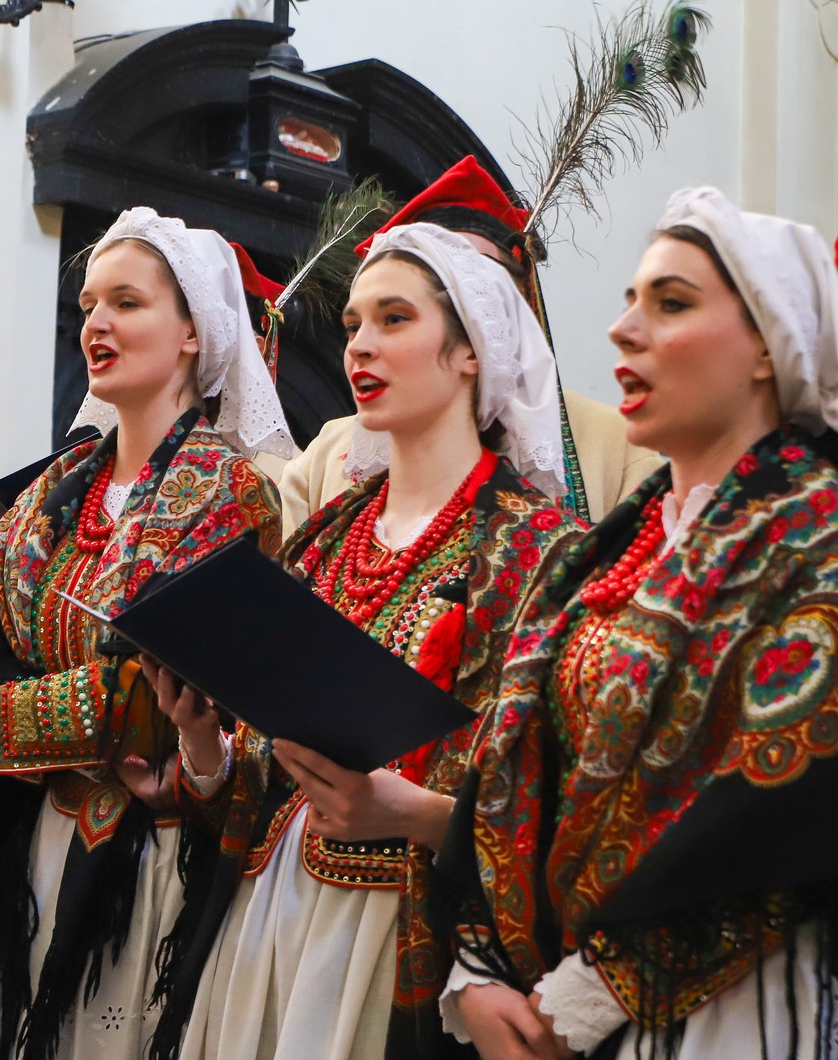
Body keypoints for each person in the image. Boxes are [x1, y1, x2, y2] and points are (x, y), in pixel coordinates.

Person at [435, 188, 838, 1059]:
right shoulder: (610, 549)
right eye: (629, 302)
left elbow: (787, 815)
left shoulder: (831, 547)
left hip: (744, 1010)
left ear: (766, 344)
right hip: (561, 993)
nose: (624, 330)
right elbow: (518, 758)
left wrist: (580, 999)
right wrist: (480, 967)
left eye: (672, 303)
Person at [155, 223, 586, 1060]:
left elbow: (570, 807)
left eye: (395, 318)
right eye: (354, 323)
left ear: (471, 350)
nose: (359, 344)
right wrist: (202, 741)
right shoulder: (324, 536)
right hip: (266, 924)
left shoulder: (540, 552)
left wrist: (417, 813)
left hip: (404, 939)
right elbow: (259, 779)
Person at [0, 207, 292, 1060]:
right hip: (17, 840)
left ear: (192, 332)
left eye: (126, 302)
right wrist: (6, 697)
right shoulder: (55, 488)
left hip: (138, 861)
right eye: (87, 305)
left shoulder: (230, 494)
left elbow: (154, 695)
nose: (97, 323)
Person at [278, 158, 655, 532]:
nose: (361, 345)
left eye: (479, 282)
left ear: (516, 299)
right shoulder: (327, 457)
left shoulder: (614, 445)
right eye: (353, 325)